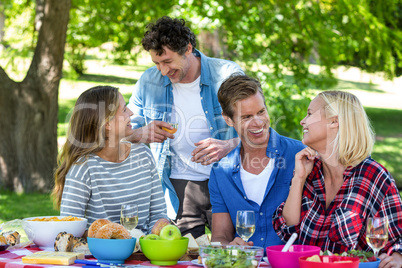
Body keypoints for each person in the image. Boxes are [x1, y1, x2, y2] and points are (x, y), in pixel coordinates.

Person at [127, 16, 243, 237]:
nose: (162, 71)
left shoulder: (227, 76)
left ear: (188, 48)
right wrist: (140, 133)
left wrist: (228, 145)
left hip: (226, 180)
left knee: (228, 250)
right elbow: (123, 130)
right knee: (185, 253)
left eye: (168, 61)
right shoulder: (149, 82)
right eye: (157, 63)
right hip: (179, 185)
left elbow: (258, 131)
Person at [273, 91, 402, 267]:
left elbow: (396, 240)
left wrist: (397, 257)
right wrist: (299, 179)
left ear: (334, 121)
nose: (303, 121)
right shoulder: (311, 172)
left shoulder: (372, 177)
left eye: (310, 114)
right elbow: (287, 231)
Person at [52, 86, 167, 234]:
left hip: (145, 252)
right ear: (107, 123)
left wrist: (156, 235)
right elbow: (69, 230)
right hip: (99, 254)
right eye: (125, 110)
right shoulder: (84, 168)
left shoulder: (143, 154)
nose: (131, 113)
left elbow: (159, 215)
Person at [208, 74, 305, 249]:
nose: (258, 122)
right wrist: (230, 247)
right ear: (228, 119)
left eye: (261, 112)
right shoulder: (221, 172)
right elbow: (220, 236)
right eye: (246, 117)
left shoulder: (299, 155)